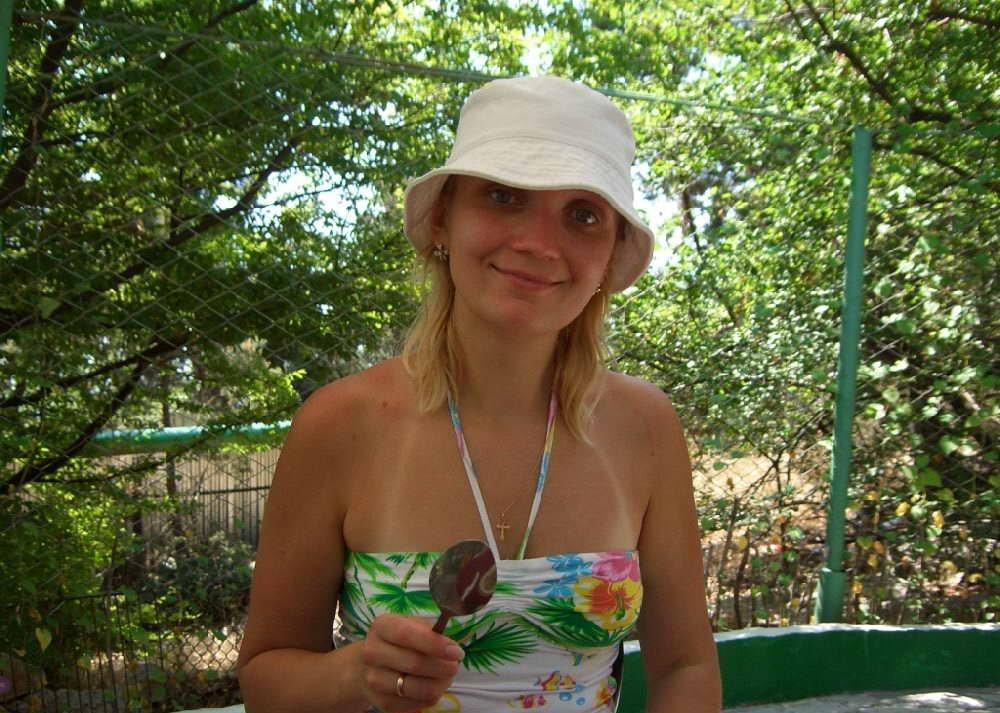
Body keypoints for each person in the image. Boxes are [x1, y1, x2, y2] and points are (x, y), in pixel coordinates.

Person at [236, 75, 721, 712]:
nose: (539, 244)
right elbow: (266, 680)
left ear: (610, 256)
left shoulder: (645, 426)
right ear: (444, 218)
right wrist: (356, 674)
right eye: (503, 196)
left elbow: (686, 665)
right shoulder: (341, 423)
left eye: (583, 215)